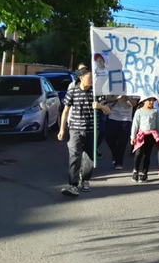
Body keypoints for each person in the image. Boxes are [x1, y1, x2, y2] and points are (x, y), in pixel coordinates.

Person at [58, 66, 110, 197]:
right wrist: (62, 129)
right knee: (74, 156)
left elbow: (108, 111)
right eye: (89, 77)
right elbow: (65, 111)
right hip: (75, 129)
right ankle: (73, 185)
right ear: (81, 78)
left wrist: (100, 106)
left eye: (93, 78)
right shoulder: (72, 92)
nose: (92, 80)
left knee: (89, 157)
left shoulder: (96, 93)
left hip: (91, 130)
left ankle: (85, 180)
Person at [130, 97, 159, 183]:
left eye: (152, 101)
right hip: (141, 135)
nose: (151, 102)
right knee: (138, 153)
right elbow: (135, 125)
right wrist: (133, 136)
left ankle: (144, 173)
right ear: (144, 101)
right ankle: (135, 170)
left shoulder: (155, 111)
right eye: (149, 100)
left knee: (147, 154)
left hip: (151, 135)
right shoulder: (139, 111)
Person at [105, 95, 136, 170]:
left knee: (122, 141)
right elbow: (108, 99)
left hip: (126, 118)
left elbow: (134, 104)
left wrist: (127, 98)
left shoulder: (131, 90)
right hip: (113, 116)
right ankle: (115, 154)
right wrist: (118, 98)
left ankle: (119, 162)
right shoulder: (113, 88)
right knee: (109, 138)